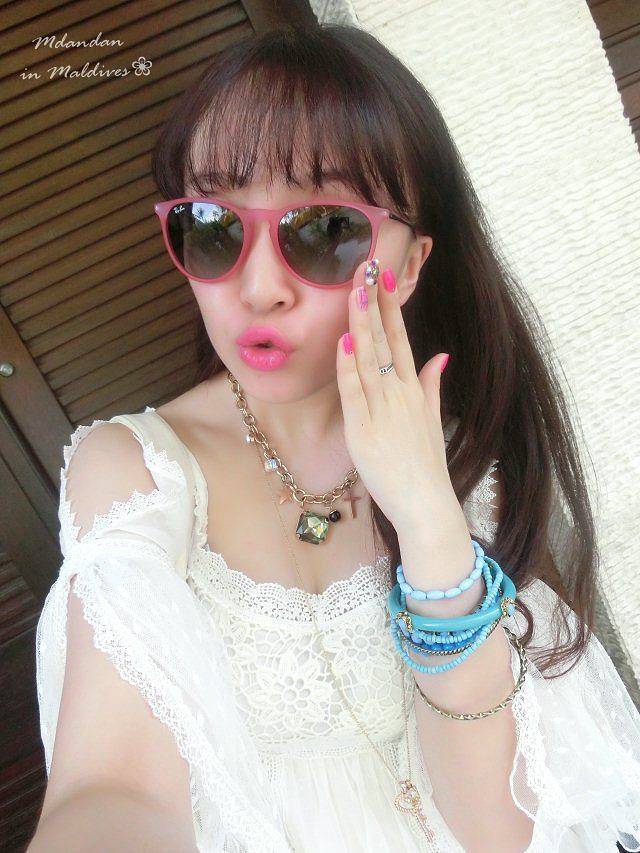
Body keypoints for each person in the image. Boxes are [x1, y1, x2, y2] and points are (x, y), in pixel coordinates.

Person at [29, 21, 640, 853]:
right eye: (212, 223)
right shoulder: (136, 472)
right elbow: (114, 787)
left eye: (322, 231)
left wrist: (427, 516)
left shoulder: (466, 465)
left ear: (411, 263)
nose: (258, 288)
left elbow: (499, 831)